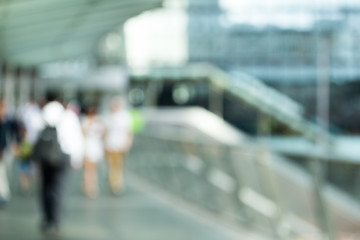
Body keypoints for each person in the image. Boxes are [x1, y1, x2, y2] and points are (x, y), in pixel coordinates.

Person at [33, 91, 84, 234]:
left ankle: (47, 218)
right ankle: (56, 220)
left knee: (45, 187)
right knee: (59, 188)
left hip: (45, 156)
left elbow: (35, 134)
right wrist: (77, 158)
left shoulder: (44, 113)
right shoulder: (69, 116)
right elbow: (76, 138)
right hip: (63, 155)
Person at [104, 97, 133, 195]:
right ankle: (115, 185)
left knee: (118, 166)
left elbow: (129, 131)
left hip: (120, 145)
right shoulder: (110, 117)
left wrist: (128, 143)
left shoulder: (124, 116)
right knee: (113, 166)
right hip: (112, 145)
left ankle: (116, 184)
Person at [82, 105, 104, 198]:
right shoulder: (85, 122)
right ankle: (88, 187)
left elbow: (103, 134)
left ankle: (93, 186)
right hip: (87, 149)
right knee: (88, 170)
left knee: (94, 170)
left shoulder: (99, 122)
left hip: (96, 149)